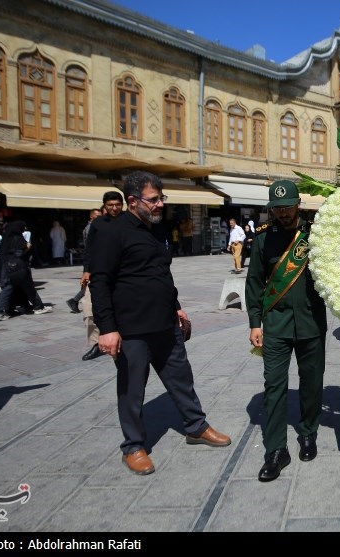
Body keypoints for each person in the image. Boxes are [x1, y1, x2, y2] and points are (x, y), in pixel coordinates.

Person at [89, 171, 231, 475]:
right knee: (132, 390)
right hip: (131, 330)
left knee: (182, 378)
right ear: (132, 201)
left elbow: (161, 275)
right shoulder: (112, 234)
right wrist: (108, 329)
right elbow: (99, 283)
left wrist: (177, 307)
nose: (160, 205)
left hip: (165, 325)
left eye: (161, 198)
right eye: (154, 200)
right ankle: (134, 446)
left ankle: (196, 426)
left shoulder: (157, 229)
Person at [245, 180, 327, 483]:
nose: (282, 213)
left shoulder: (316, 237)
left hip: (310, 323)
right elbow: (254, 282)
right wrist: (255, 322)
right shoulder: (264, 242)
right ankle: (277, 450)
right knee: (274, 386)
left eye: (287, 207)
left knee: (311, 383)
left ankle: (308, 433)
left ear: (298, 205)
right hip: (276, 325)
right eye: (277, 208)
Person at [78, 193, 124, 361]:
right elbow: (89, 249)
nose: (114, 208)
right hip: (98, 274)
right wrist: (86, 270)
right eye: (111, 205)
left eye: (118, 204)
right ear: (105, 206)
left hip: (121, 273)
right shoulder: (98, 224)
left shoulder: (128, 222)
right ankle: (96, 343)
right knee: (89, 309)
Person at [0, 220, 53, 321]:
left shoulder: (6, 239)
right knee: (28, 287)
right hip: (18, 267)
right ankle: (38, 307)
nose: (24, 229)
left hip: (6, 268)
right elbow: (21, 254)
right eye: (23, 227)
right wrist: (28, 248)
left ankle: (1, 311)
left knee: (9, 288)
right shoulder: (18, 239)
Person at [66, 208, 101, 314]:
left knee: (90, 282)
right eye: (97, 216)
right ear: (91, 216)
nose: (99, 218)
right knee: (92, 282)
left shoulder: (92, 226)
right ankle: (74, 300)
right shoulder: (91, 227)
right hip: (93, 259)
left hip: (92, 258)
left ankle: (74, 301)